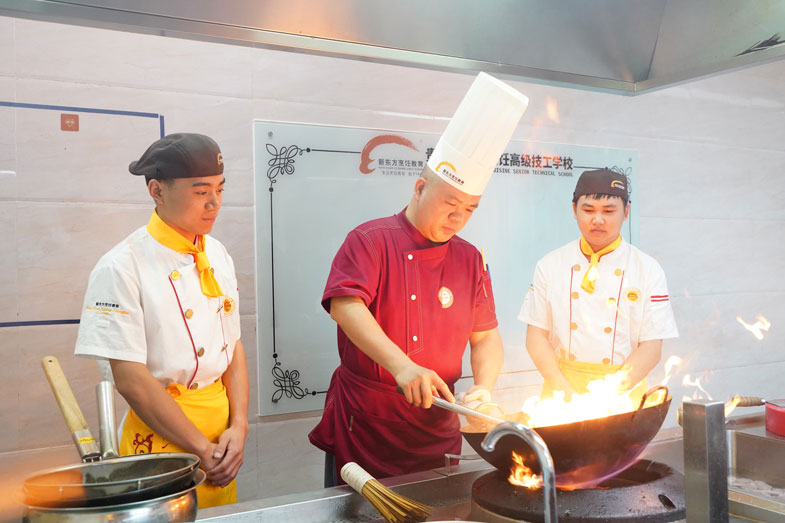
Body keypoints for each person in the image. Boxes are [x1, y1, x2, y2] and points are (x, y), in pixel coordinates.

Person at [309, 72, 529, 485]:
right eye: (450, 203)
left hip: (437, 424)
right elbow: (345, 305)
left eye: (470, 209)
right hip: (368, 424)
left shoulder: (470, 259)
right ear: (420, 187)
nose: (458, 217)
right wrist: (403, 367)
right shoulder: (370, 240)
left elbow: (485, 336)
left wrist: (484, 387)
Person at [74, 133, 249, 508]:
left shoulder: (218, 254)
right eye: (200, 191)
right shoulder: (121, 266)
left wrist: (240, 425)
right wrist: (200, 448)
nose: (215, 202)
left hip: (221, 435)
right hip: (162, 436)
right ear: (157, 190)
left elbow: (232, 344)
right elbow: (130, 379)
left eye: (220, 189)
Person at [519, 168, 678, 402]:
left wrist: (607, 396)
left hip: (623, 393)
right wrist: (565, 394)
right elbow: (535, 338)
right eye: (588, 210)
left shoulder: (648, 269)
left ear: (626, 212)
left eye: (609, 211)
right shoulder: (549, 265)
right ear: (574, 210)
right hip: (560, 391)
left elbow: (652, 347)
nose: (598, 220)